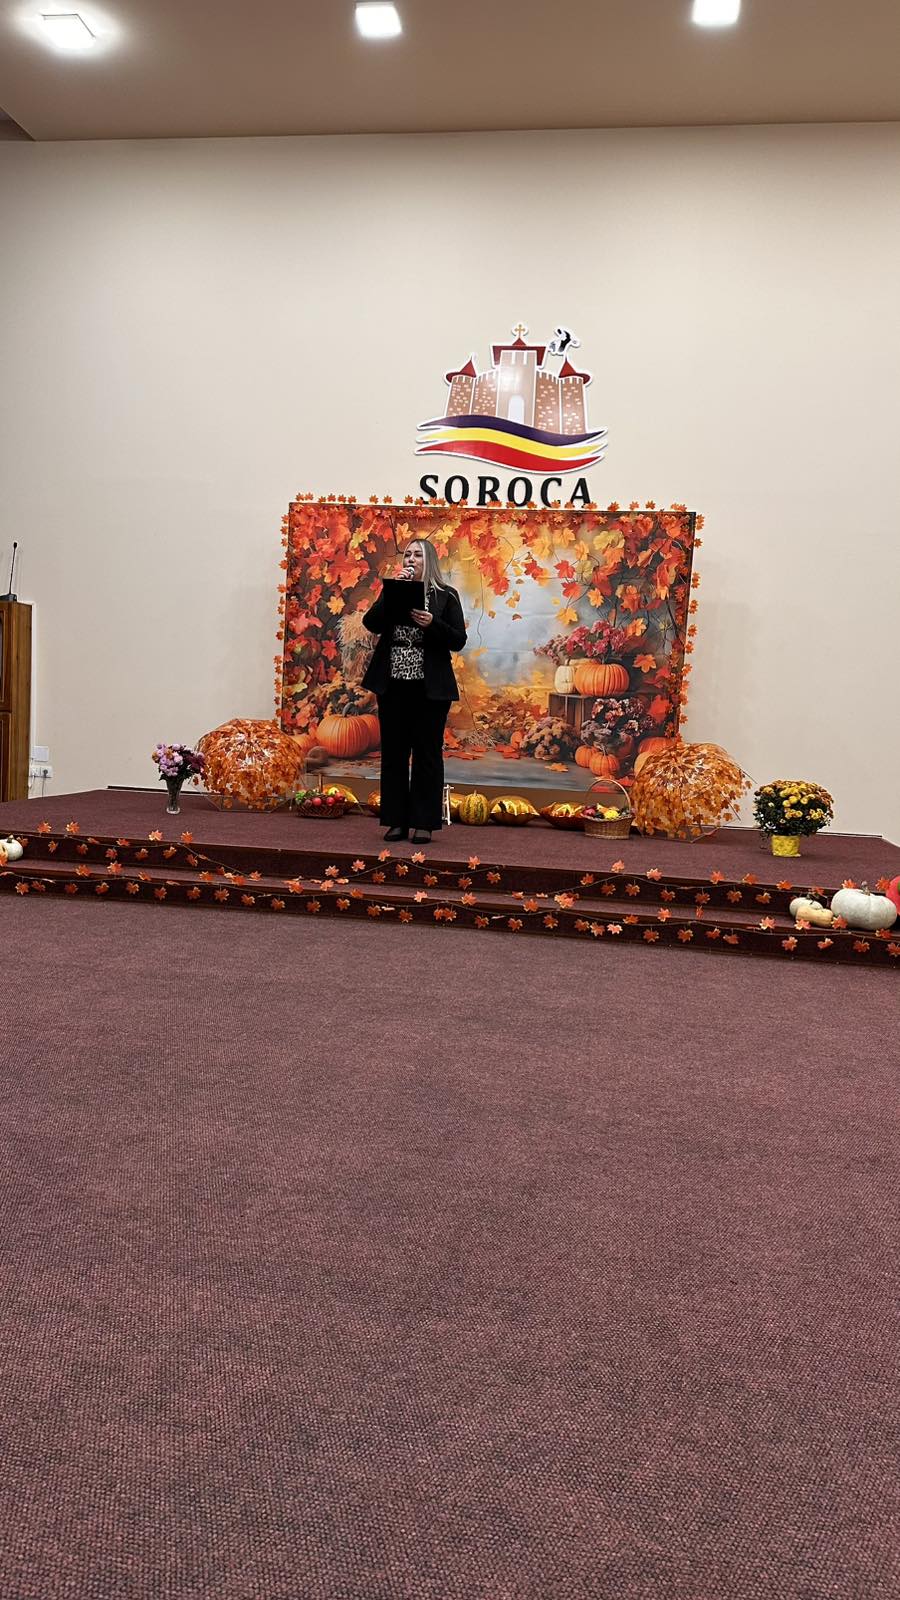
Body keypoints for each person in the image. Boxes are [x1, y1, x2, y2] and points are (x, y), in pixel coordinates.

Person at [362, 540, 467, 843]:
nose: (410, 559)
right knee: (394, 754)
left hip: (430, 688)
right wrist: (391, 592)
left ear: (429, 560)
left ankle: (424, 822)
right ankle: (396, 821)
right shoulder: (393, 590)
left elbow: (458, 640)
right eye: (407, 554)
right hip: (393, 685)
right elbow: (371, 623)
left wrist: (433, 624)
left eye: (417, 554)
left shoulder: (446, 595)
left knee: (427, 754)